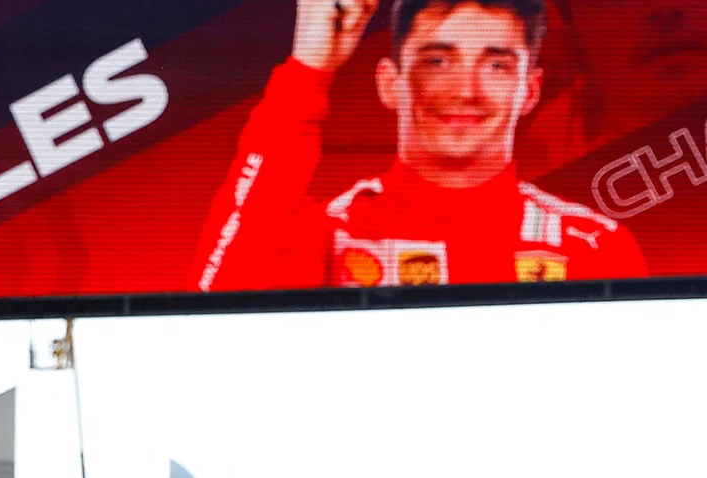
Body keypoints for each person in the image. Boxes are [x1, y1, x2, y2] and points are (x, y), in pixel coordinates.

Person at [194, 0, 647, 291]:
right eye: (437, 61)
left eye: (496, 66)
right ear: (389, 83)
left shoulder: (595, 248)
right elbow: (215, 305)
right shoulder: (332, 236)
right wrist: (308, 70)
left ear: (530, 91)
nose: (466, 90)